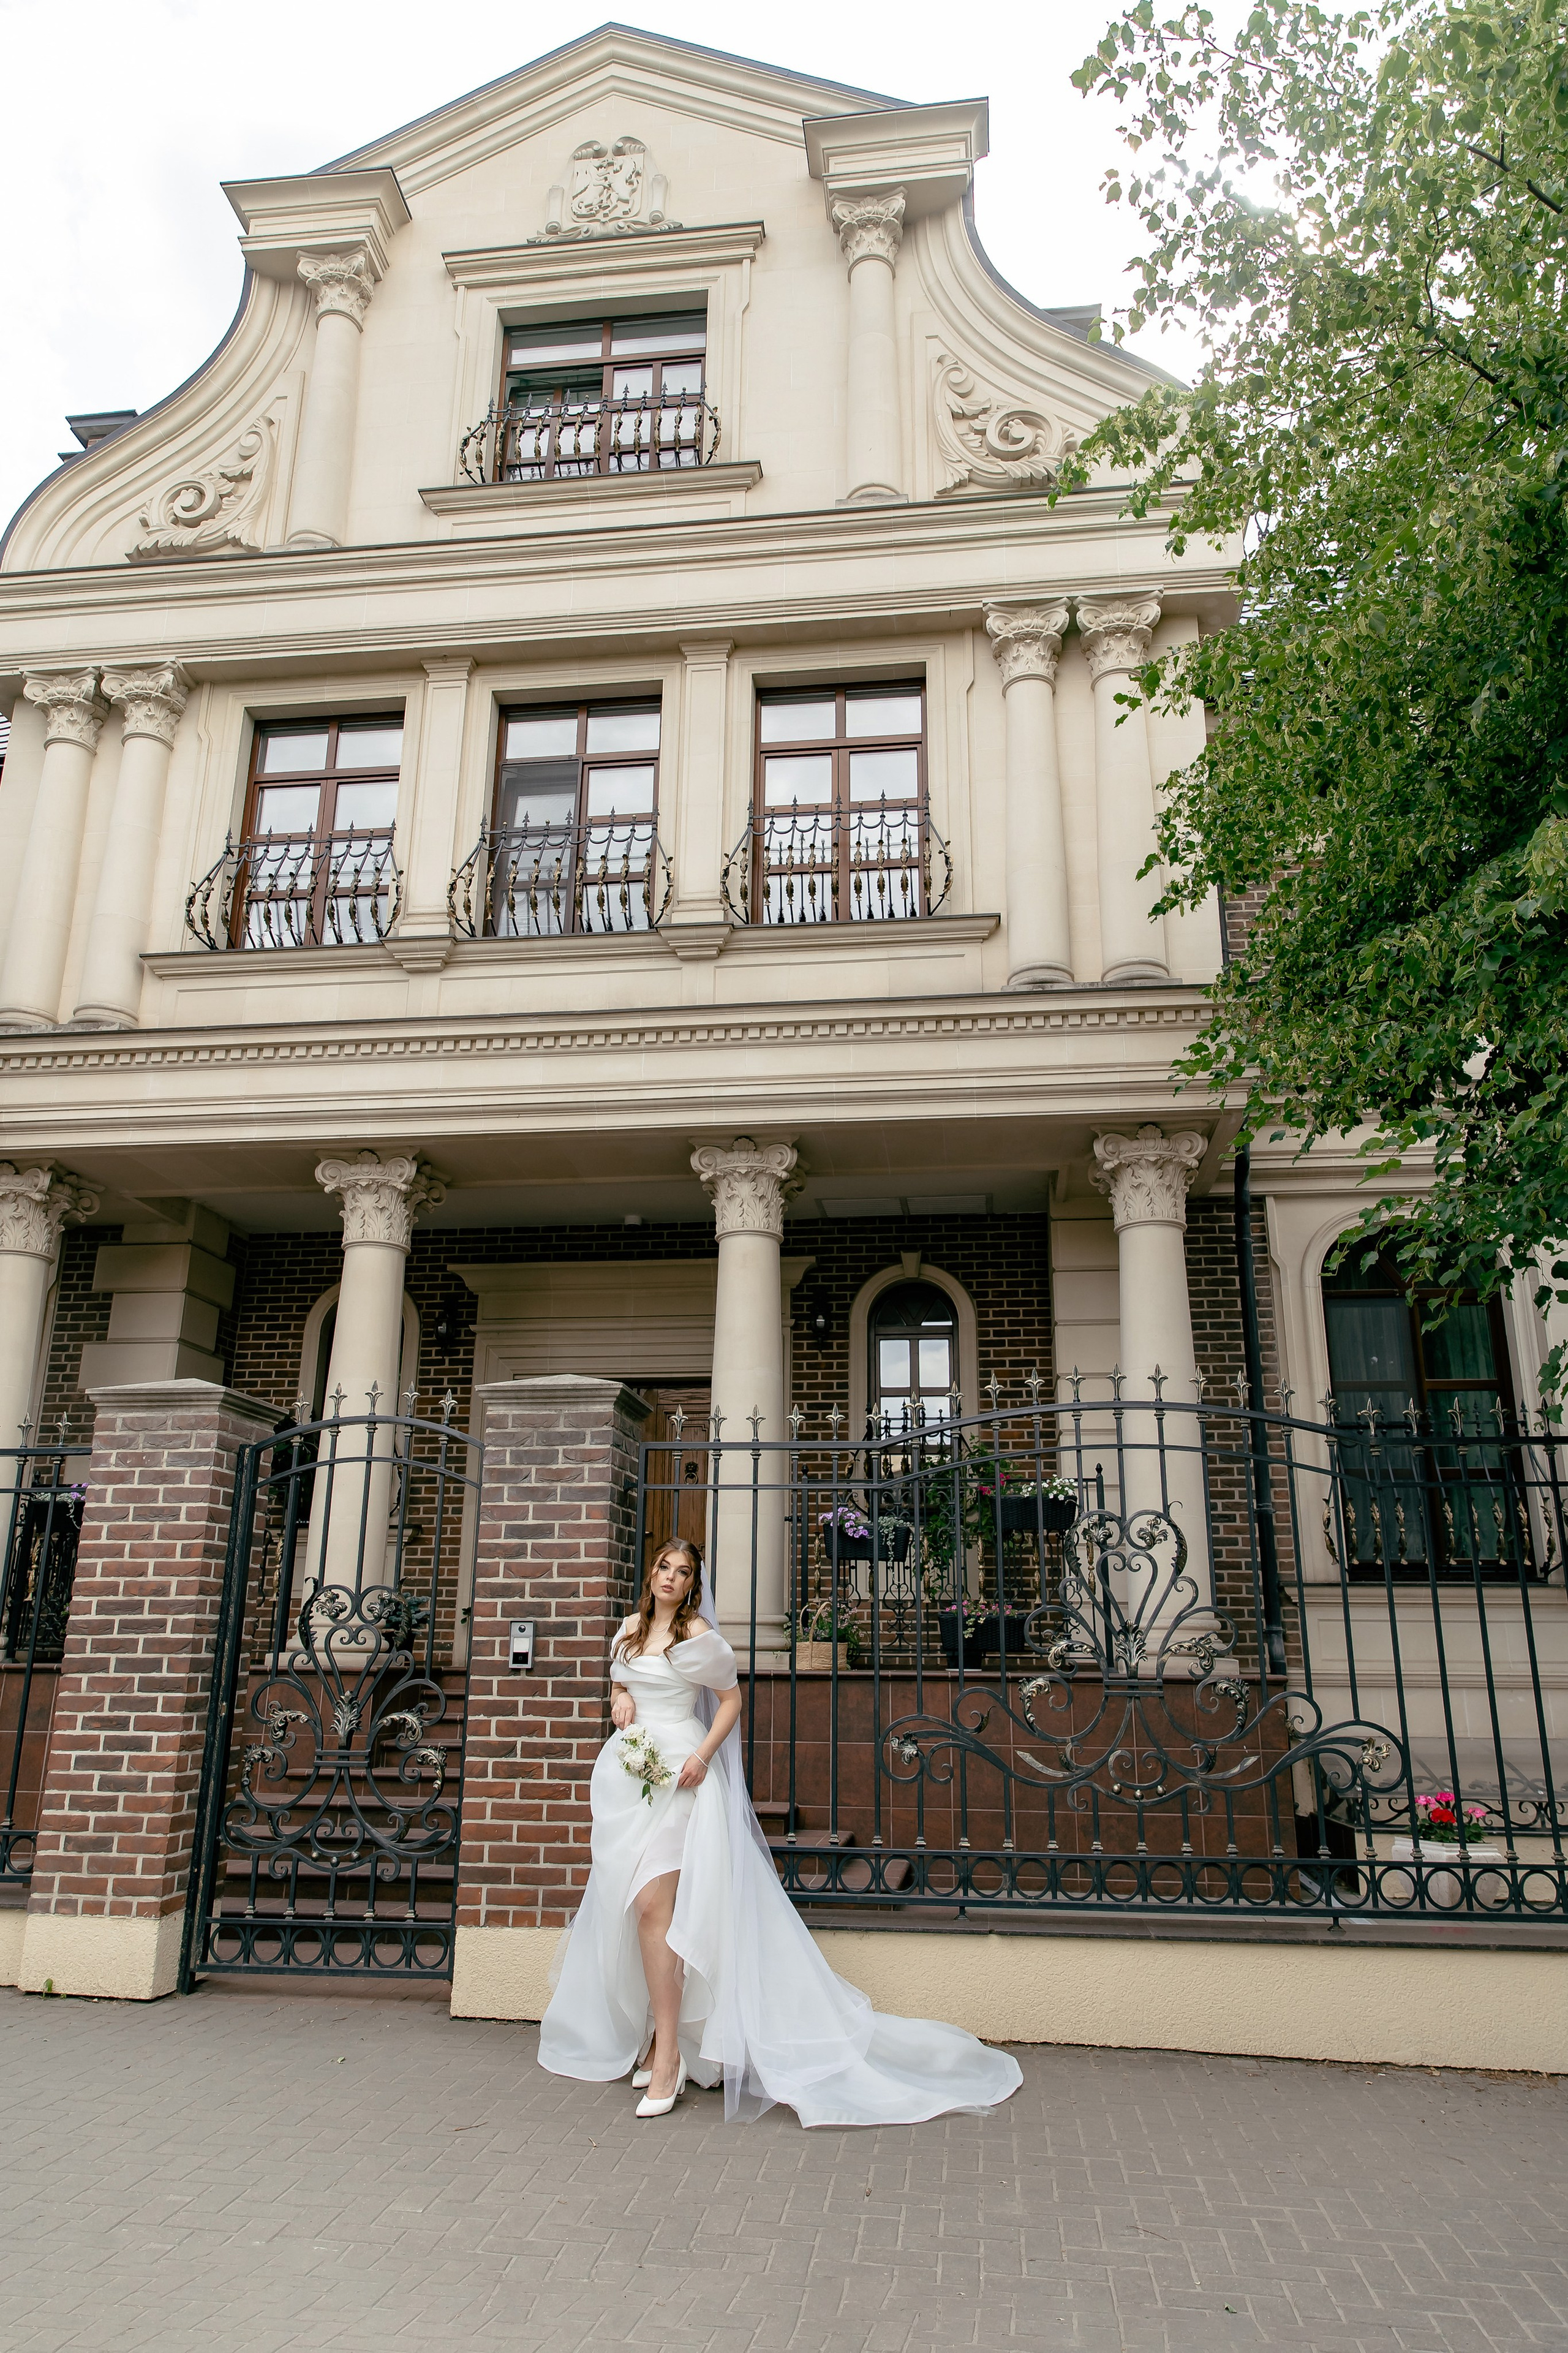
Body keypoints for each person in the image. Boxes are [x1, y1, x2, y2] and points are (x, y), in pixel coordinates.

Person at [537, 1535, 1022, 2127]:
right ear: (652, 1573)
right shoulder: (630, 1630)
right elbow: (621, 1679)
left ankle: (667, 2058)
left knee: (653, 1910)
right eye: (664, 1566)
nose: (670, 1577)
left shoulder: (698, 1637)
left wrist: (704, 1756)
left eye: (683, 1571)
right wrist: (618, 1698)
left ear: (692, 1586)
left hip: (683, 1777)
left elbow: (730, 1701)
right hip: (629, 1780)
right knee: (638, 1909)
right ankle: (662, 2038)